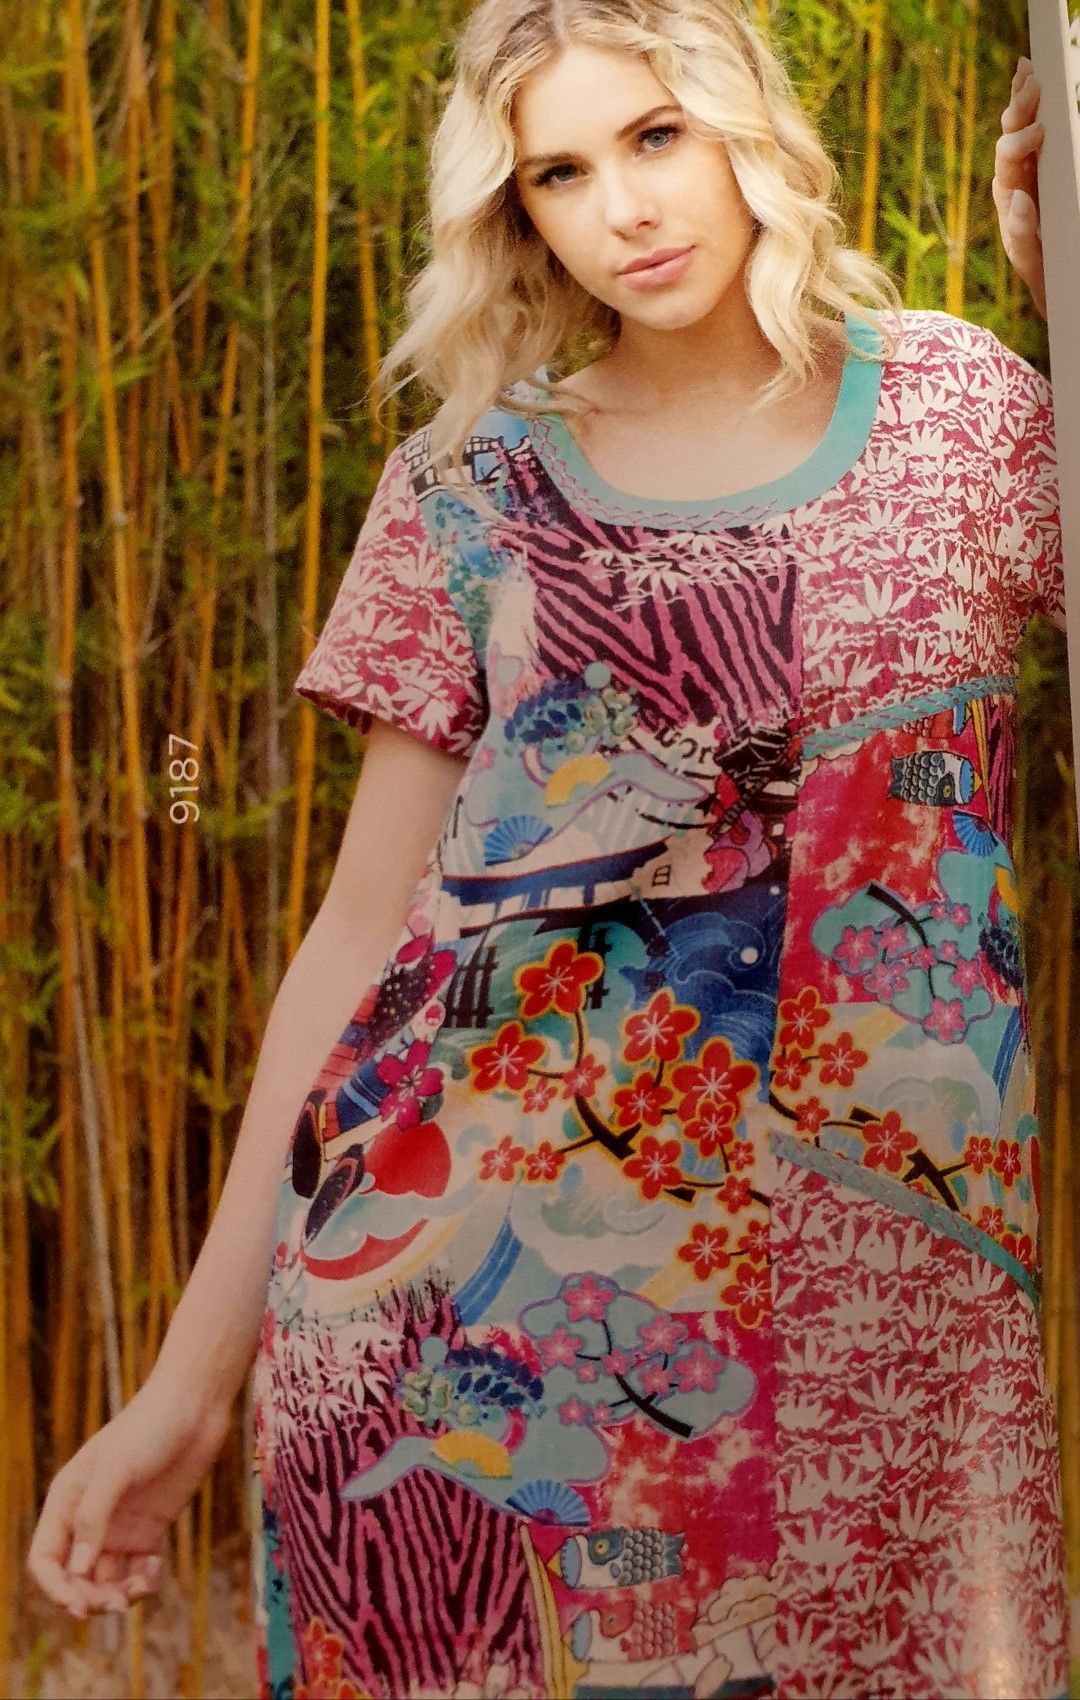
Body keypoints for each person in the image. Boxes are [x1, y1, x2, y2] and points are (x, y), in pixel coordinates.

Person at [27, 5, 1069, 1697]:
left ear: (747, 125)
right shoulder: (470, 486)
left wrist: (1072, 303)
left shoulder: (962, 411)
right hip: (473, 1347)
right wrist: (185, 1387)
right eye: (560, 173)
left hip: (891, 1329)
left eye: (656, 136)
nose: (623, 209)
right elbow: (360, 936)